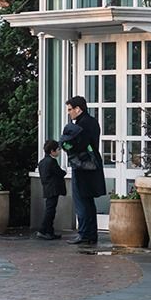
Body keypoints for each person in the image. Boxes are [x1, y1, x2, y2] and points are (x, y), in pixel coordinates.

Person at [61, 95, 106, 250]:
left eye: (70, 110)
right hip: (92, 165)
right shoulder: (92, 122)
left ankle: (84, 234)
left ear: (78, 109)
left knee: (81, 201)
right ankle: (90, 234)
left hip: (82, 166)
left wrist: (66, 145)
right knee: (88, 201)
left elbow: (75, 145)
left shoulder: (81, 125)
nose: (69, 113)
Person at [36, 139, 66, 240]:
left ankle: (49, 231)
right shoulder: (52, 162)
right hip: (53, 189)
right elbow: (60, 173)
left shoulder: (42, 162)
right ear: (52, 151)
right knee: (50, 211)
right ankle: (43, 230)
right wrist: (64, 171)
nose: (58, 152)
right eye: (57, 150)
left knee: (50, 209)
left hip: (47, 188)